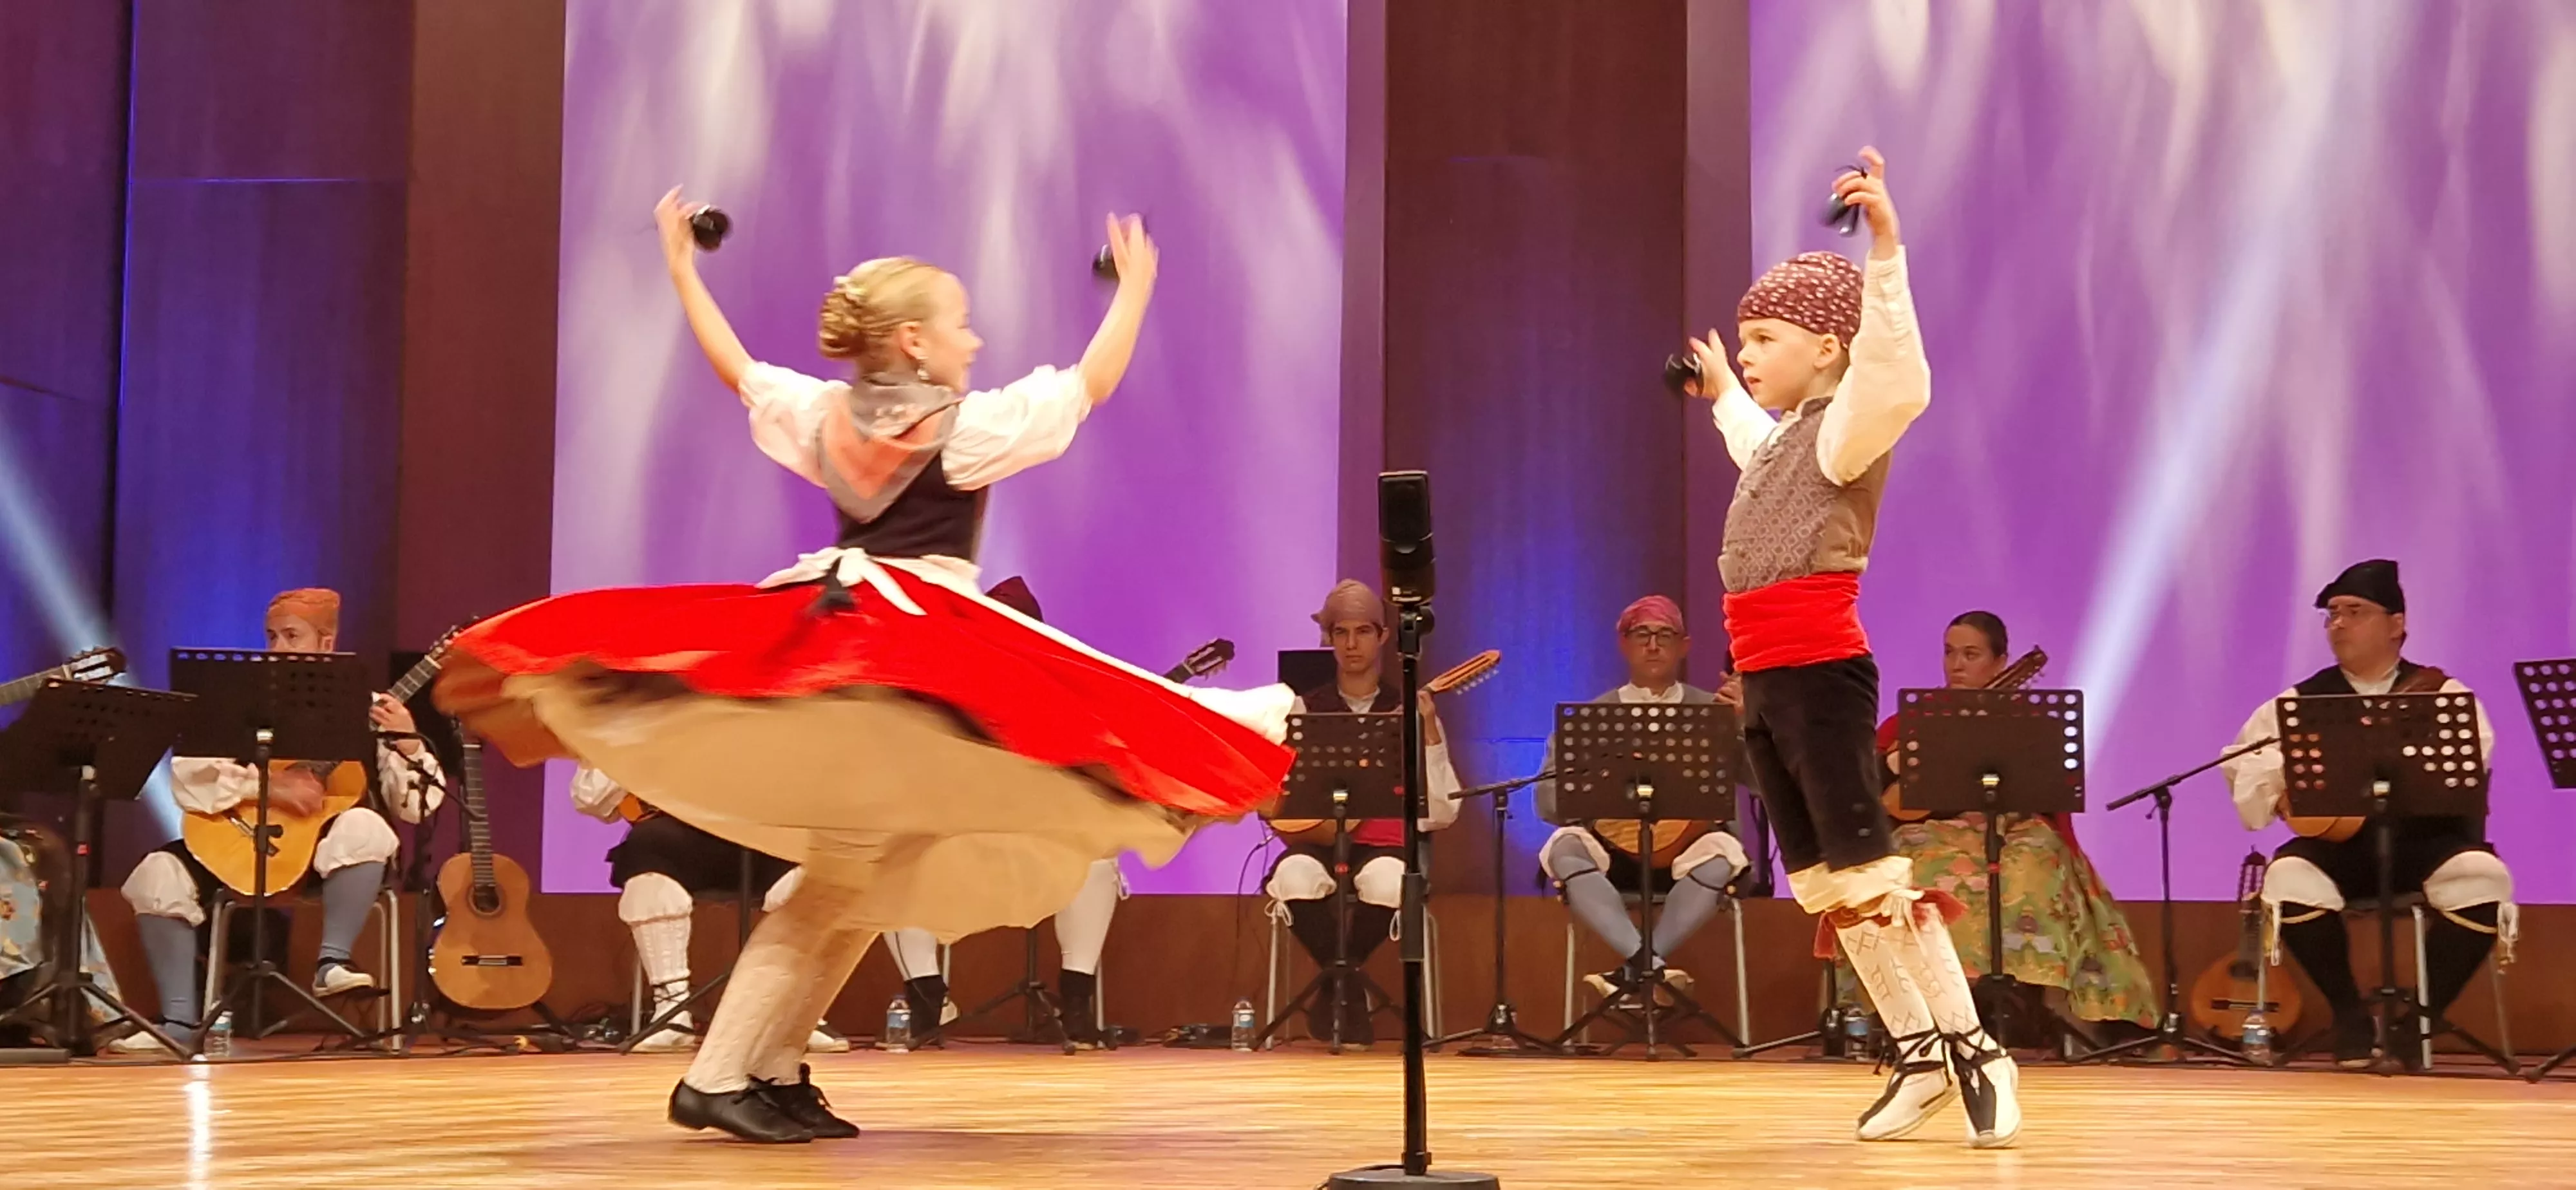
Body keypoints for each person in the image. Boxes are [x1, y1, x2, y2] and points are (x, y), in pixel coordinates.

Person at [436, 192, 1293, 1143]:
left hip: (841, 640)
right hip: (900, 648)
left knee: (858, 873)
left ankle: (770, 1065)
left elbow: (742, 376)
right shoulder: (962, 430)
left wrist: (684, 272)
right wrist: (1135, 292)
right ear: (919, 343)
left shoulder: (825, 416)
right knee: (851, 868)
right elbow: (1086, 387)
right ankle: (721, 1074)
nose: (975, 340)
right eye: (962, 325)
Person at [1685, 147, 2017, 1147]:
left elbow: (1896, 374)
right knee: (1829, 884)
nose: (1749, 353)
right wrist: (1719, 393)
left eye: (1764, 338)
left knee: (1873, 874)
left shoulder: (1848, 428)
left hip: (1822, 678)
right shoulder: (1788, 439)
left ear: (1829, 350)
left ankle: (1972, 1048)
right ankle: (1916, 1053)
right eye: (1742, 340)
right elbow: (1753, 438)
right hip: (1770, 690)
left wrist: (1885, 248)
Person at [110, 589, 446, 1055]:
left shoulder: (369, 710)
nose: (278, 648)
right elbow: (189, 781)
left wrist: (408, 742)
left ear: (327, 643)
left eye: (292, 635)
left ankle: (332, 963)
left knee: (367, 827)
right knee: (156, 874)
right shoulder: (240, 702)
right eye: (272, 636)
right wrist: (271, 788)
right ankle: (179, 1022)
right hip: (243, 841)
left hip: (324, 858)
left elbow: (419, 807)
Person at [2220, 560, 2514, 1069]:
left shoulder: (2445, 695)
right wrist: (2286, 790)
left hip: (2424, 844)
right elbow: (2246, 759)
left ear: (2397, 624)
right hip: (2339, 847)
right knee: (2288, 879)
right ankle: (2349, 1015)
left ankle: (2417, 1024)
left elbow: (2471, 761)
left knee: (2484, 880)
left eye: (2354, 612)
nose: (2338, 624)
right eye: (2332, 614)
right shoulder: (2301, 701)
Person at [1852, 611, 2157, 1041]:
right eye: (1950, 653)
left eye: (1971, 654)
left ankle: (2031, 1001)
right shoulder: (1913, 721)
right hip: (1934, 832)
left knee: (2032, 865)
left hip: (2012, 828)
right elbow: (1876, 793)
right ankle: (1931, 1008)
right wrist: (1896, 761)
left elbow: (2050, 792)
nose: (1956, 664)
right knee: (1915, 866)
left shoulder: (2029, 725)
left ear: (2000, 663)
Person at [878, 578, 1123, 1050]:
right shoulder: (939, 698)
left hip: (1036, 850)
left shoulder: (1064, 699)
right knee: (893, 857)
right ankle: (926, 999)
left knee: (1099, 861)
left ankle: (1075, 1002)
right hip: (958, 849)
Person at [1260, 580, 1461, 1047]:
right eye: (1342, 632)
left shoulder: (1409, 709)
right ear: (1328, 639)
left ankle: (1334, 991)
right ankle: (1348, 989)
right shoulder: (1304, 710)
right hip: (1321, 841)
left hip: (1384, 847)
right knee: (1293, 878)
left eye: (1364, 631)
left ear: (1384, 637)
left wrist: (1428, 732)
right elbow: (1277, 798)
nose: (1352, 644)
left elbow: (1444, 812)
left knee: (1390, 883)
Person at [1534, 596, 1745, 1003]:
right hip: (1612, 857)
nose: (1653, 645)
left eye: (1665, 635)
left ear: (1684, 646)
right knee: (1564, 848)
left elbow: (1760, 784)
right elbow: (1546, 800)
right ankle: (1651, 969)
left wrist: (1743, 726)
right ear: (1624, 644)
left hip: (1687, 853)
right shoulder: (1591, 717)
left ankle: (1632, 972)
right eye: (1642, 635)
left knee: (1723, 853)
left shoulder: (1714, 710)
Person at [569, 766, 844, 1054]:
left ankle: (798, 1015)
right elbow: (591, 800)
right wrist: (636, 735)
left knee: (814, 871)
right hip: (677, 834)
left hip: (768, 830)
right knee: (646, 852)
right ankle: (672, 1012)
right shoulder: (631, 722)